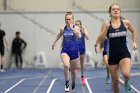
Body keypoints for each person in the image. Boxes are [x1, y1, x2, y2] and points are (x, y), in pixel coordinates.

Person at [95, 4, 137, 93]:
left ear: (120, 11)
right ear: (110, 12)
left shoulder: (126, 23)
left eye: (118, 9)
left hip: (124, 53)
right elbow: (101, 40)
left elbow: (133, 31)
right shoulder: (106, 24)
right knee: (115, 82)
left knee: (126, 74)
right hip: (112, 55)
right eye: (113, 9)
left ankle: (126, 83)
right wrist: (105, 30)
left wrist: (134, 42)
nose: (116, 10)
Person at [52, 12, 81, 92]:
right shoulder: (63, 28)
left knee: (73, 72)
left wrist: (73, 29)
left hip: (74, 52)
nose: (68, 21)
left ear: (72, 20)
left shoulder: (76, 28)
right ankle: (67, 82)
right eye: (66, 19)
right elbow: (59, 35)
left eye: (69, 19)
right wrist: (54, 42)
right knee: (66, 65)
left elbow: (79, 36)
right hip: (65, 50)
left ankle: (73, 83)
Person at [75, 20, 89, 84]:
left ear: (80, 25)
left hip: (82, 48)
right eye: (76, 24)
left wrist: (84, 32)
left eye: (78, 24)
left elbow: (88, 38)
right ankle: (76, 67)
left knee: (82, 64)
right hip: (75, 48)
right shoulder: (74, 30)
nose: (76, 25)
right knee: (76, 60)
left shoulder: (83, 29)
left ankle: (82, 76)